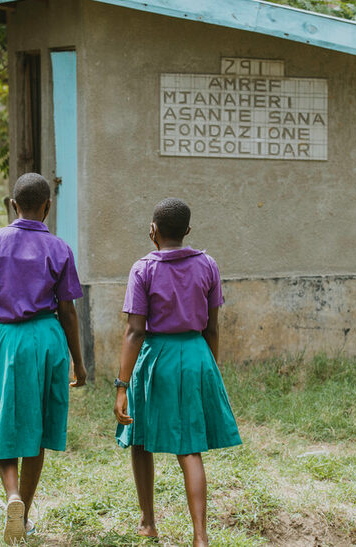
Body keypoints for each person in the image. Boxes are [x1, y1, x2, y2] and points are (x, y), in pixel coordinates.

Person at [0, 172, 87, 544]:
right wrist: (78, 363)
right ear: (47, 206)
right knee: (39, 425)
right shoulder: (59, 248)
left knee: (5, 418)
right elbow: (69, 310)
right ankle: (25, 514)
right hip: (47, 338)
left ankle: (11, 494)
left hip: (7, 340)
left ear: (13, 205)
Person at [113, 198, 241, 547]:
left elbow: (135, 331)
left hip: (156, 358)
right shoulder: (208, 265)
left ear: (152, 230)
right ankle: (200, 537)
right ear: (187, 231)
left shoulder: (143, 268)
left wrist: (122, 384)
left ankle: (148, 522)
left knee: (140, 440)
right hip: (196, 354)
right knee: (189, 448)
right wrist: (209, 369)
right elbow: (212, 327)